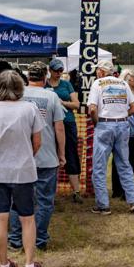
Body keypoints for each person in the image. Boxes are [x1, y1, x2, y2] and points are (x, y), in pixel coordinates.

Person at [0, 70, 44, 267]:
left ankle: (4, 263)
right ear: (20, 87)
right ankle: (29, 264)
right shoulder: (30, 109)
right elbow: (38, 142)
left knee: (0, 218)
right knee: (27, 219)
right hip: (24, 171)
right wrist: (26, 155)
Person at [7, 63, 65, 252]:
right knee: (44, 200)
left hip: (20, 156)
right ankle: (39, 240)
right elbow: (59, 127)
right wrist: (61, 153)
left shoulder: (18, 95)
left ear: (27, 76)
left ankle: (16, 240)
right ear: (46, 77)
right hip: (46, 157)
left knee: (17, 199)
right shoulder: (52, 96)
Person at [86, 60, 134, 215]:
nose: (96, 72)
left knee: (99, 167)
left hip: (104, 125)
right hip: (122, 126)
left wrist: (97, 122)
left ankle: (103, 205)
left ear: (101, 71)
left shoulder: (98, 84)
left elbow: (92, 109)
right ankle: (133, 200)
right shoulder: (123, 84)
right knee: (124, 164)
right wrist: (123, 115)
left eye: (97, 70)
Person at [47, 59, 83, 203]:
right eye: (56, 70)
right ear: (50, 70)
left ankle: (76, 191)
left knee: (71, 154)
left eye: (61, 70)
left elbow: (76, 104)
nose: (59, 73)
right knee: (50, 156)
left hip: (67, 123)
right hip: (49, 124)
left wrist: (62, 103)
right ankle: (50, 192)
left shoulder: (66, 84)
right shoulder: (44, 85)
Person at [112, 70, 134, 202]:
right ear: (126, 80)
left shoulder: (129, 93)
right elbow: (129, 115)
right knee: (130, 162)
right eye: (132, 79)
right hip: (129, 133)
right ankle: (126, 191)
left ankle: (118, 190)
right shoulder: (125, 94)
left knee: (119, 161)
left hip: (124, 131)